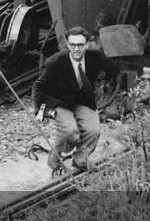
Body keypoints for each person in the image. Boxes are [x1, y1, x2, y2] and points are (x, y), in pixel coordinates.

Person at [33, 26, 122, 173]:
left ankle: (80, 159)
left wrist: (139, 72)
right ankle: (55, 154)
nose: (76, 49)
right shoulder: (55, 62)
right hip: (59, 102)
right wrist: (39, 110)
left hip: (82, 100)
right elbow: (39, 86)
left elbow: (114, 68)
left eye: (80, 45)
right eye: (72, 45)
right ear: (68, 45)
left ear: (86, 45)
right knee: (70, 131)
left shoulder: (95, 57)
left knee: (93, 131)